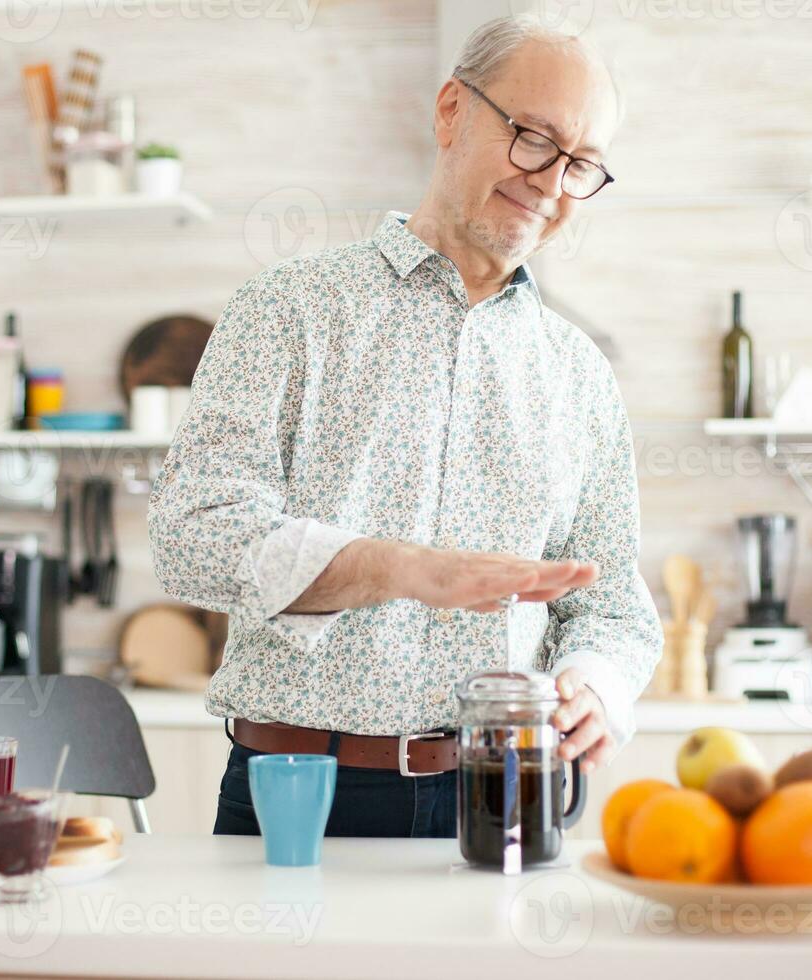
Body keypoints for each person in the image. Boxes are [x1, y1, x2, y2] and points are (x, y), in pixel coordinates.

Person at [148, 13, 662, 838]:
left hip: (507, 793)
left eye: (581, 165)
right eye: (532, 137)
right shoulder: (286, 310)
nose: (549, 181)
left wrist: (594, 684)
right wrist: (398, 569)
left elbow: (616, 607)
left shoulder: (580, 373)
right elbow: (193, 535)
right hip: (304, 795)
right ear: (451, 110)